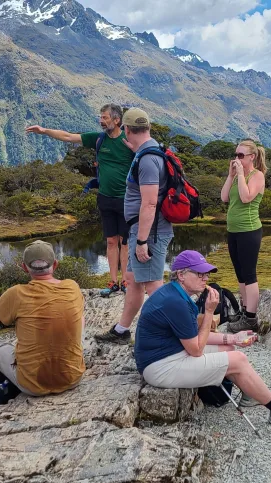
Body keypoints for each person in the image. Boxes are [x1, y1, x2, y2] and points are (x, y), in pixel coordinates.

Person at [135, 250, 271, 426]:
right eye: (200, 273)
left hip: (169, 354)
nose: (206, 278)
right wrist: (209, 312)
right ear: (181, 275)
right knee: (238, 360)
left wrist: (233, 339)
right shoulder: (176, 303)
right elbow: (196, 349)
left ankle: (251, 392)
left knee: (228, 350)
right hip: (160, 367)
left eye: (206, 274)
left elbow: (195, 336)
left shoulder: (175, 294)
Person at [0, 240, 85, 408]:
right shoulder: (73, 287)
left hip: (32, 384)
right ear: (55, 265)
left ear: (25, 267)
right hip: (72, 378)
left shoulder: (17, 294)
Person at [25, 104, 133, 297]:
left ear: (117, 120)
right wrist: (44, 131)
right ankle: (113, 282)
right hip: (105, 198)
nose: (101, 120)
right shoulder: (98, 139)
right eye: (100, 117)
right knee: (110, 241)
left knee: (125, 242)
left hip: (126, 200)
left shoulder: (128, 140)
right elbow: (68, 136)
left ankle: (126, 281)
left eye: (105, 117)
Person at [95, 108, 174, 344]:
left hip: (148, 233)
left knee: (153, 284)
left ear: (127, 130)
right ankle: (121, 330)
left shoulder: (148, 160)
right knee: (132, 278)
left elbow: (149, 204)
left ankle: (174, 333)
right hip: (139, 230)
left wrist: (140, 242)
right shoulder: (147, 150)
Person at [220, 139, 267, 332]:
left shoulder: (257, 176)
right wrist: (231, 176)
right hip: (234, 231)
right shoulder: (236, 176)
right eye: (235, 155)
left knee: (249, 274)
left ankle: (251, 318)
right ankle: (244, 311)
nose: (236, 158)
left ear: (252, 157)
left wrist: (240, 175)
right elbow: (224, 197)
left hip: (249, 230)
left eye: (241, 155)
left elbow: (246, 197)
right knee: (240, 274)